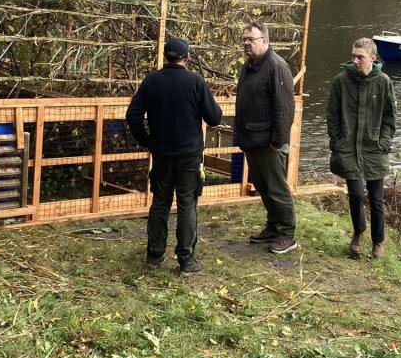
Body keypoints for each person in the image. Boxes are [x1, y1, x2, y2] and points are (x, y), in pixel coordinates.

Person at [126, 37, 222, 273]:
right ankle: (186, 259)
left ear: (165, 57)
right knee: (187, 204)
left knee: (160, 203)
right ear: (186, 58)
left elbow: (133, 115)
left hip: (161, 155)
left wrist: (146, 140)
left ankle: (154, 255)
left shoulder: (152, 81)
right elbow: (214, 118)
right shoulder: (196, 81)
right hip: (189, 156)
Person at [327, 37, 397, 259]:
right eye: (353, 56)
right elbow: (332, 114)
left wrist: (384, 142)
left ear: (373, 58)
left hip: (374, 148)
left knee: (376, 198)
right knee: (356, 194)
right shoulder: (341, 81)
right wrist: (337, 140)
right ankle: (358, 232)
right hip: (348, 147)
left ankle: (378, 241)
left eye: (360, 57)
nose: (355, 61)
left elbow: (390, 117)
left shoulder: (384, 82)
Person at [234, 21, 298, 255]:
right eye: (244, 39)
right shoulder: (249, 66)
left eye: (250, 39)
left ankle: (287, 234)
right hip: (251, 139)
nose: (246, 43)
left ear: (265, 41)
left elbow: (285, 108)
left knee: (277, 188)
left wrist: (277, 141)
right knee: (262, 186)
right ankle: (273, 226)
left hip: (269, 143)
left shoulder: (276, 67)